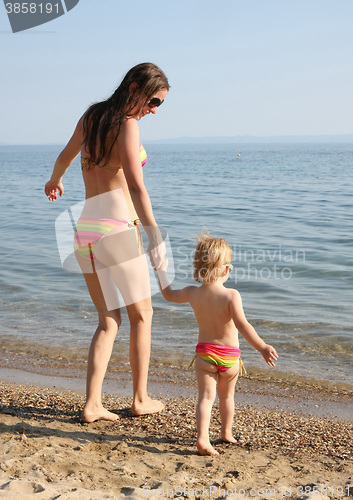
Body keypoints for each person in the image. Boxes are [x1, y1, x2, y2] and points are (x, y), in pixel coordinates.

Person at [44, 62, 170, 422]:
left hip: (85, 231)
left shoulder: (92, 116)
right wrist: (155, 236)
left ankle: (92, 404)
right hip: (117, 229)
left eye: (160, 104)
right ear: (134, 88)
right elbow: (135, 185)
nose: (154, 110)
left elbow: (66, 155)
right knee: (142, 315)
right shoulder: (127, 125)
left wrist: (55, 180)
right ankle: (141, 398)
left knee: (108, 320)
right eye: (153, 101)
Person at [157, 232, 278, 456]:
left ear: (198, 267)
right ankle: (226, 433)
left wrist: (162, 271)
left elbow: (168, 294)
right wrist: (262, 347)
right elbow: (243, 326)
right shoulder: (232, 295)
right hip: (230, 357)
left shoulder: (193, 293)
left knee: (205, 397)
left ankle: (203, 438)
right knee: (227, 397)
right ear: (225, 270)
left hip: (205, 355)